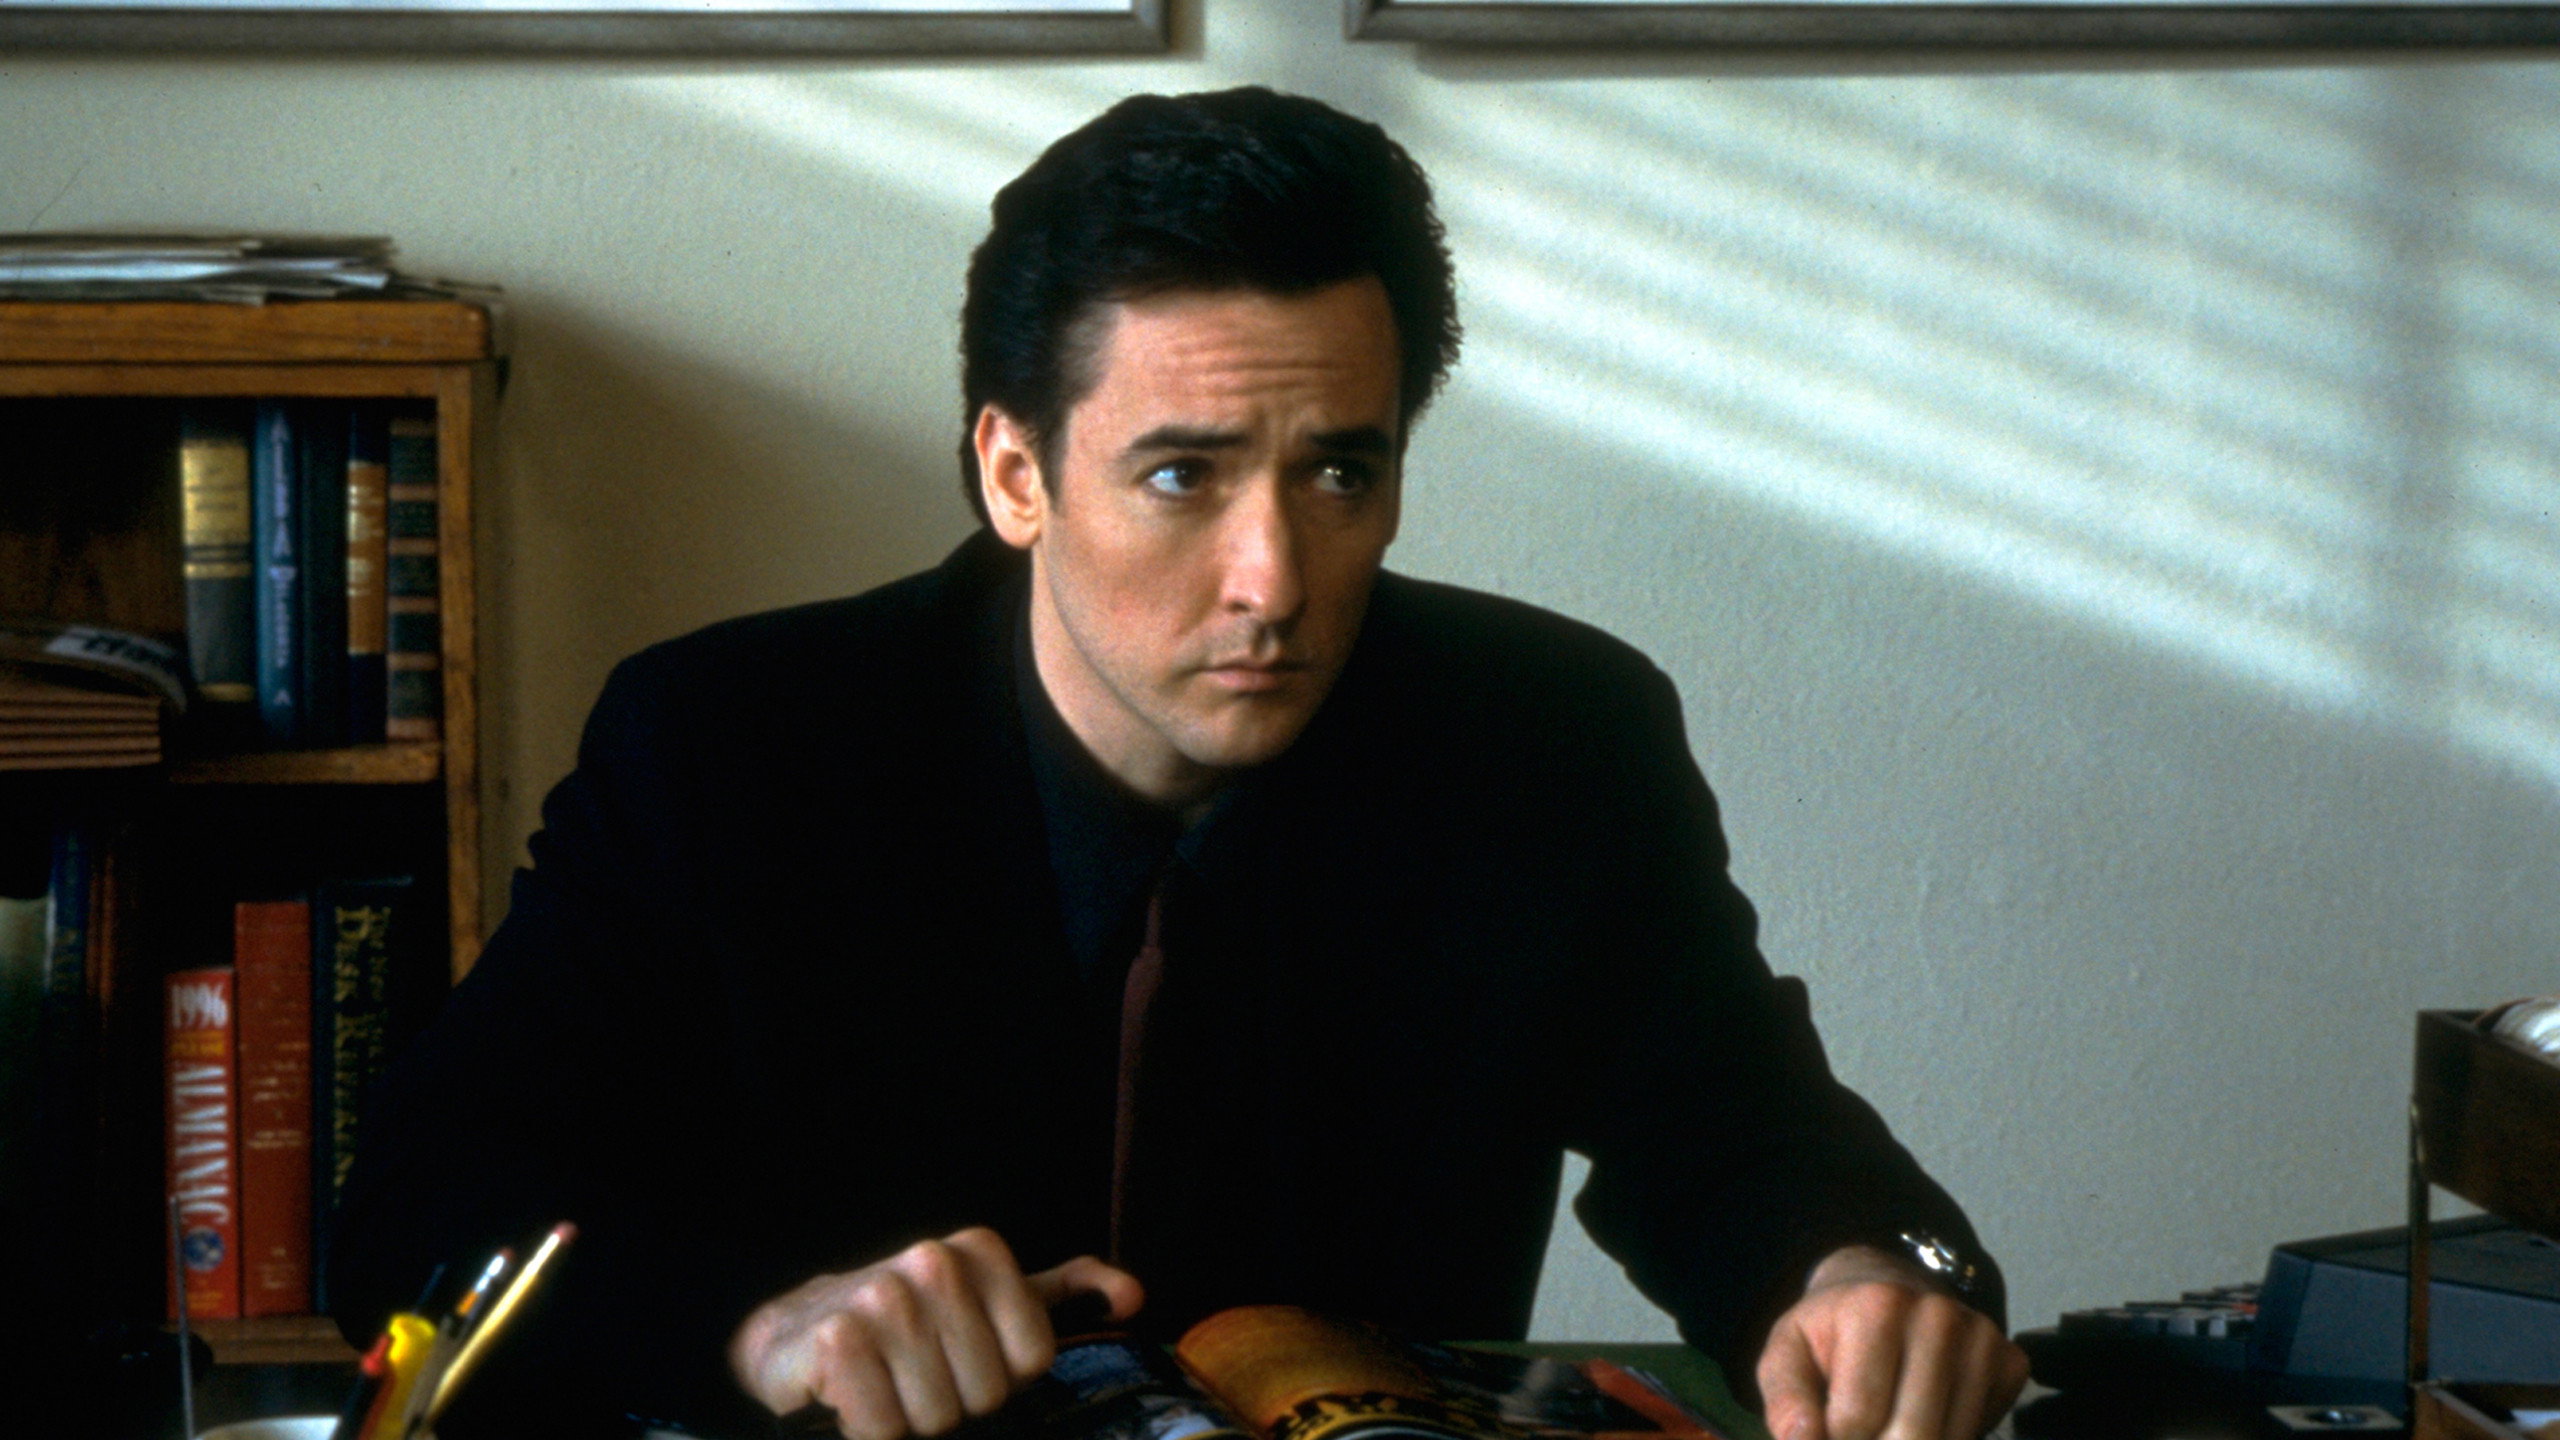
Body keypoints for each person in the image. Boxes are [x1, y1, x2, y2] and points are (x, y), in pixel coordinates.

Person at [330, 87, 2029, 1440]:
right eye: (1180, 477)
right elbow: (415, 1210)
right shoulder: (730, 745)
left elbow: (1745, 1138)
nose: (1273, 579)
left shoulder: (1551, 738)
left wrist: (1864, 1276)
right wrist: (760, 1326)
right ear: (1015, 474)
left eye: (1340, 473)